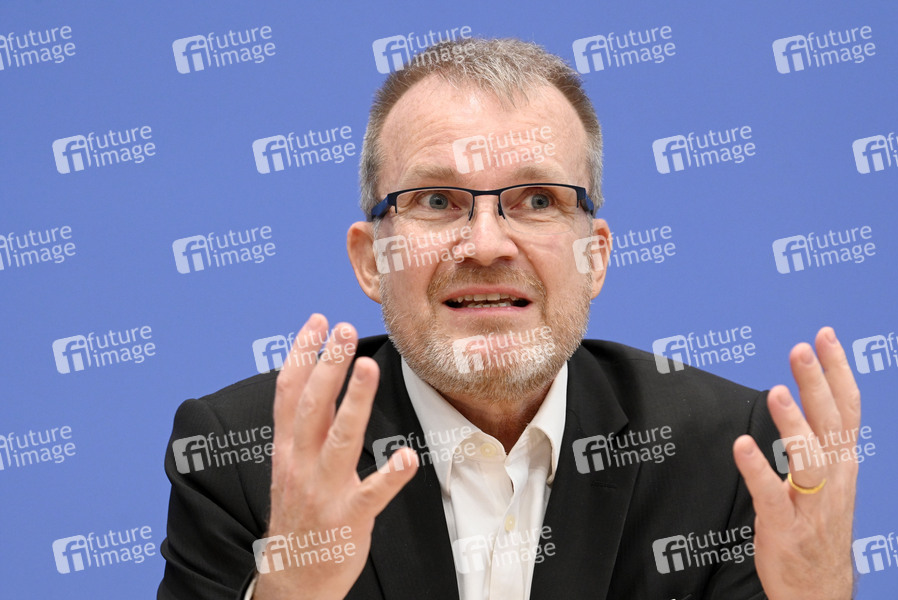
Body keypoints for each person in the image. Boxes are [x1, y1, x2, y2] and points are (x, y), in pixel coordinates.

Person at [158, 38, 860, 600]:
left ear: (594, 257)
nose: (488, 244)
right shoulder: (243, 457)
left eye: (538, 201)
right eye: (437, 201)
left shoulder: (728, 454)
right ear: (371, 260)